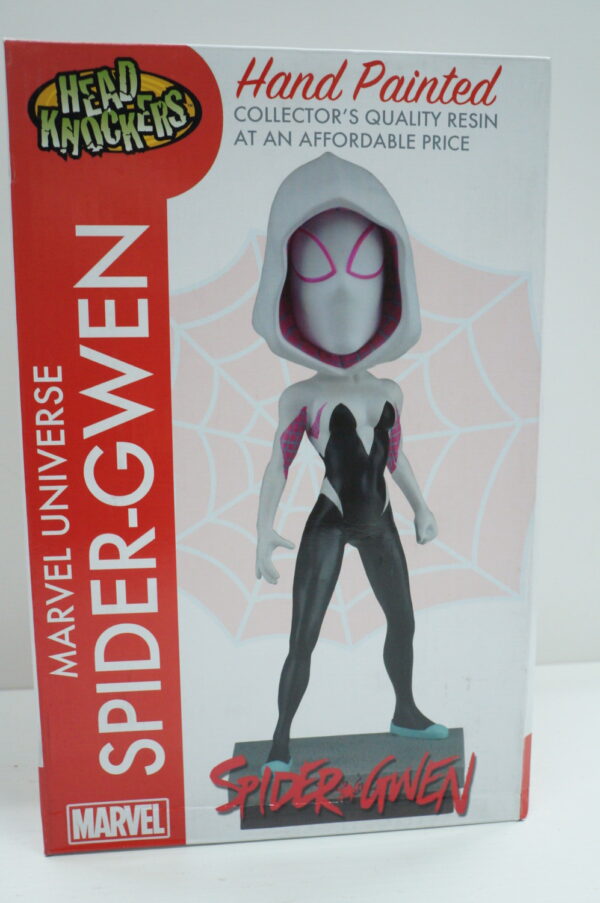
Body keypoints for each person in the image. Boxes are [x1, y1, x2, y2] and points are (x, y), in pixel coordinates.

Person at [253, 153, 448, 771]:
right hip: (331, 522)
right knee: (303, 637)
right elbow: (279, 465)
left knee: (404, 623)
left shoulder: (389, 391)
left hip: (381, 521)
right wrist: (262, 529)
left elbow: (395, 456)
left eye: (363, 267)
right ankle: (280, 739)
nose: (341, 291)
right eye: (316, 270)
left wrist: (421, 506)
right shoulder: (301, 397)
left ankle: (405, 711)